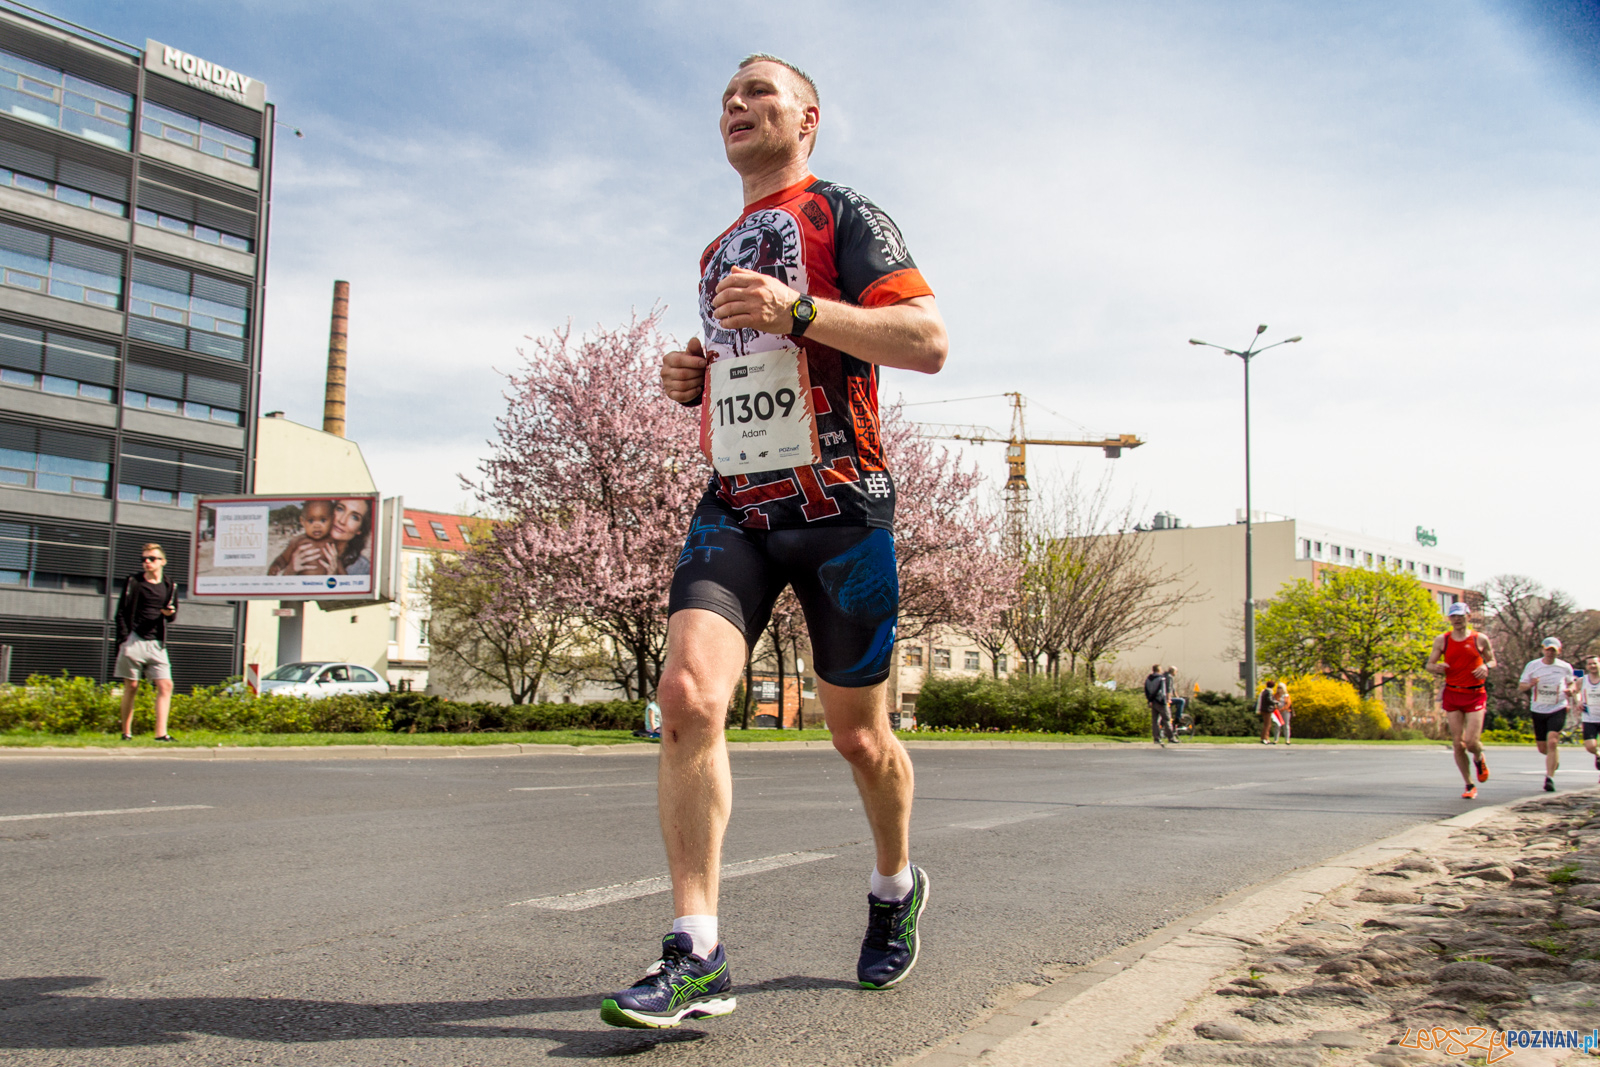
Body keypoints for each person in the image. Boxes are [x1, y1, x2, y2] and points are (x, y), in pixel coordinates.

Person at [604, 54, 948, 1030]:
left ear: (807, 117)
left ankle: (894, 885)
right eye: (726, 96)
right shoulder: (716, 250)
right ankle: (697, 951)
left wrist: (800, 309)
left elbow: (927, 341)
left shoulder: (843, 213)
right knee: (686, 696)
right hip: (738, 506)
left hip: (841, 511)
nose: (736, 104)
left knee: (860, 738)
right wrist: (693, 378)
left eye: (759, 91)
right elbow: (749, 368)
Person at [1425, 601, 1496, 798]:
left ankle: (1479, 757)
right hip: (1453, 693)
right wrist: (1436, 667)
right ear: (1449, 618)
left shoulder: (1479, 639)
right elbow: (1429, 664)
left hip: (1475, 694)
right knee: (1458, 743)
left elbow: (1492, 660)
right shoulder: (1443, 640)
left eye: (1461, 616)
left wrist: (1486, 666)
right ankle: (1469, 785)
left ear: (1468, 617)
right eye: (1453, 616)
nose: (1457, 619)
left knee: (1471, 742)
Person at [114, 542, 179, 742]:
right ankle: (126, 733)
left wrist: (169, 613)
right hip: (134, 640)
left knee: (166, 685)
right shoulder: (133, 582)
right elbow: (121, 612)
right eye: (144, 559)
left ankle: (161, 734)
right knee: (132, 686)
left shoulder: (170, 585)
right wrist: (124, 639)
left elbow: (172, 615)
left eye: (152, 559)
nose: (147, 562)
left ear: (163, 561)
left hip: (157, 643)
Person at [1520, 636, 1575, 793]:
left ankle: (1549, 778)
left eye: (1553, 651)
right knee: (1543, 747)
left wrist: (1570, 691)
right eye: (1548, 650)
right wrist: (1530, 684)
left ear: (1559, 652)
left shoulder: (1565, 667)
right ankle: (1553, 758)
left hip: (1558, 707)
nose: (1550, 653)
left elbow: (1571, 683)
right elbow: (1521, 686)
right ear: (1543, 650)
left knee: (1552, 741)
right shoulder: (1533, 666)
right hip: (1538, 709)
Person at [284, 497, 371, 576]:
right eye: (340, 509)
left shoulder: (362, 568)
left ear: (360, 529)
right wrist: (290, 571)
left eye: (354, 517)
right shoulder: (299, 545)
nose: (342, 520)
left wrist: (334, 579)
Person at [266, 499, 335, 575]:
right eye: (311, 521)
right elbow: (283, 558)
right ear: (302, 521)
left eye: (323, 520)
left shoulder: (332, 542)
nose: (317, 526)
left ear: (332, 520)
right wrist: (276, 566)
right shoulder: (298, 541)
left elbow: (337, 563)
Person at [1576, 656, 1600, 784]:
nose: (1592, 666)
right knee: (1590, 746)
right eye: (1590, 664)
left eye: (1595, 663)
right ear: (1587, 666)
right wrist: (1578, 700)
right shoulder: (1583, 680)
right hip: (1589, 717)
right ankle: (1598, 754)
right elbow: (1575, 691)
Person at [1144, 664, 1174, 746]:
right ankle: (1171, 737)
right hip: (1160, 701)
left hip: (1153, 701)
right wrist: (1165, 700)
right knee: (1167, 719)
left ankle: (1156, 738)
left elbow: (1146, 690)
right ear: (1159, 670)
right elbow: (1162, 690)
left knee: (1155, 721)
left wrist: (1149, 700)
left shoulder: (1148, 679)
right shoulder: (1161, 678)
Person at [1256, 679, 1277, 744]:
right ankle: (1265, 738)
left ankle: (1265, 737)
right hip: (1267, 710)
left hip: (1264, 709)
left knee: (1267, 724)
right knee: (1267, 725)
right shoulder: (1269, 692)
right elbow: (1269, 700)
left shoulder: (1264, 691)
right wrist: (1276, 702)